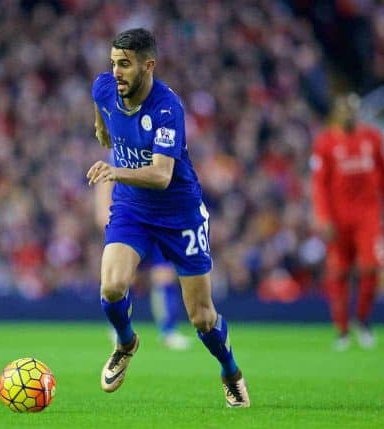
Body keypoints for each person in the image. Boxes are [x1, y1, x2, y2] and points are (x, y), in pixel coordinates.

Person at [86, 28, 250, 407]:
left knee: (202, 318)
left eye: (125, 64)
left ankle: (230, 370)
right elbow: (99, 99)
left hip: (180, 213)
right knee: (111, 287)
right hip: (132, 209)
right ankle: (126, 343)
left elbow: (161, 175)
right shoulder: (104, 89)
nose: (116, 72)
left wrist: (115, 172)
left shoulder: (166, 108)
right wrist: (100, 125)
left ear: (149, 65)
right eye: (113, 63)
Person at [310, 93, 384, 351]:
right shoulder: (325, 142)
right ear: (337, 113)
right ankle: (342, 329)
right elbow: (319, 185)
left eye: (353, 110)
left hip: (368, 216)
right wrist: (323, 217)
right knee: (339, 272)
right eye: (344, 110)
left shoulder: (373, 138)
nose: (349, 114)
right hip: (338, 218)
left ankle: (362, 320)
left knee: (371, 267)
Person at [95, 175, 192, 351]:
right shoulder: (119, 154)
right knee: (124, 278)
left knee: (165, 275)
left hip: (157, 221)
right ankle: (120, 329)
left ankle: (168, 331)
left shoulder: (158, 153)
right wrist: (106, 214)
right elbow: (106, 185)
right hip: (130, 223)